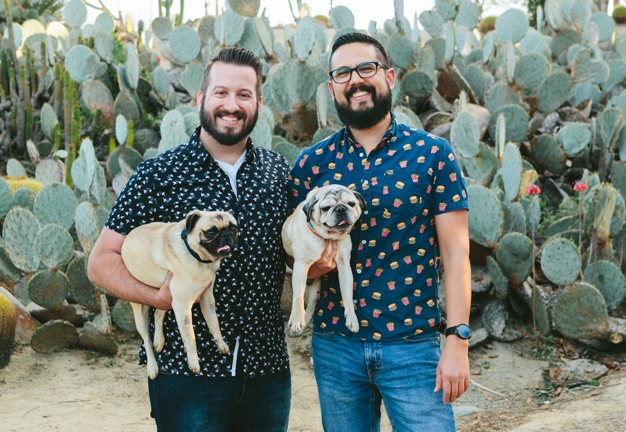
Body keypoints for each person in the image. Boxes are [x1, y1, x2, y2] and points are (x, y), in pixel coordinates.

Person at [87, 47, 292, 432]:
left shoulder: (278, 171)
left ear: (259, 103)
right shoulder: (158, 174)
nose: (231, 105)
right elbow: (100, 261)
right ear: (201, 99)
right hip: (187, 378)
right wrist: (157, 298)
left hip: (268, 372)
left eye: (244, 95)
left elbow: (294, 252)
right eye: (221, 93)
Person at [288, 32, 472, 432]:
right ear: (331, 87)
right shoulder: (310, 164)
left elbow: (457, 254)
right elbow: (292, 247)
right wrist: (311, 268)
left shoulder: (433, 155)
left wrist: (457, 340)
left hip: (413, 345)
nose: (355, 80)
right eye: (342, 73)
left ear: (389, 76)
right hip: (336, 346)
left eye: (365, 68)